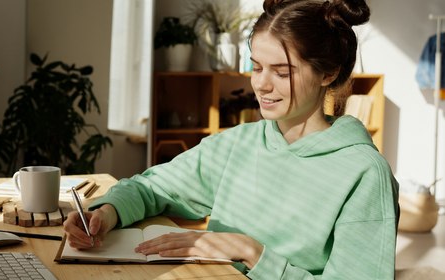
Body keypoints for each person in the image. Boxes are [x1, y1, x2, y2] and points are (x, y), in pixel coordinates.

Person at [64, 0, 399, 278]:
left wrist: (250, 252)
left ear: (328, 73)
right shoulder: (237, 144)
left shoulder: (365, 173)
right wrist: (106, 213)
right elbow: (153, 186)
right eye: (256, 67)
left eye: (282, 72)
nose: (262, 85)